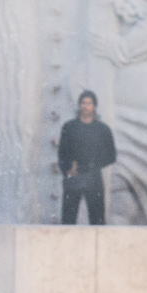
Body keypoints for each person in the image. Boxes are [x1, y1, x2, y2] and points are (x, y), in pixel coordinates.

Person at [57, 90, 117, 224]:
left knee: (97, 219)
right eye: (83, 103)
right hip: (74, 176)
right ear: (79, 105)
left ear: (94, 106)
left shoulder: (102, 129)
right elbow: (62, 152)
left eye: (89, 103)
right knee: (68, 219)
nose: (85, 106)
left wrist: (94, 164)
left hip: (93, 176)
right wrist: (67, 168)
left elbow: (111, 155)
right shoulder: (69, 127)